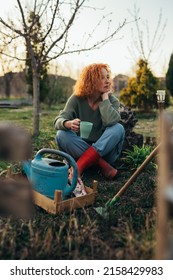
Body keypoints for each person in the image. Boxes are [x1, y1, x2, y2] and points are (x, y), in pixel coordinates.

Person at [54, 63, 125, 179]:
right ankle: (102, 165)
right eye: (102, 78)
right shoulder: (76, 99)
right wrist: (68, 123)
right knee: (61, 134)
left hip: (106, 152)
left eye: (107, 77)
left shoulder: (112, 101)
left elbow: (110, 122)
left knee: (118, 128)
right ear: (90, 80)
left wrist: (105, 99)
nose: (107, 81)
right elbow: (58, 121)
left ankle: (80, 166)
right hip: (80, 149)